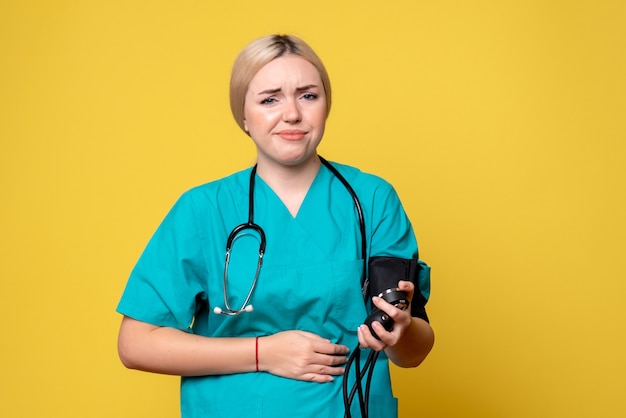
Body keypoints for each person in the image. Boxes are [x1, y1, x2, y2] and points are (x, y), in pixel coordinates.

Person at [116, 34, 435, 417]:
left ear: (325, 105)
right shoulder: (203, 210)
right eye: (270, 99)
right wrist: (262, 353)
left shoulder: (371, 200)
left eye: (308, 95)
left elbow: (413, 351)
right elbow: (135, 343)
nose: (292, 114)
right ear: (244, 117)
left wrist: (402, 332)